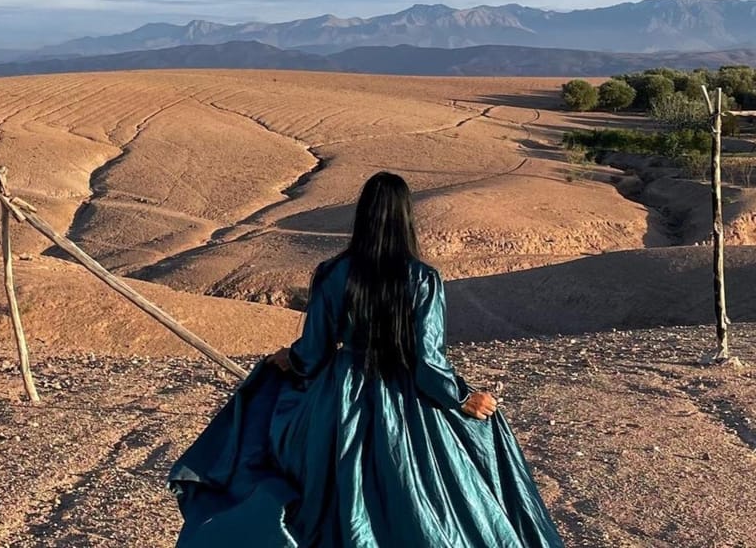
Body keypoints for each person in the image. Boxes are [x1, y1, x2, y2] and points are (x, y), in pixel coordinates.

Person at [169, 172, 564, 547]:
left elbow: (315, 351)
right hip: (405, 395)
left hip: (339, 396)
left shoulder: (333, 272)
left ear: (363, 216)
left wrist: (290, 359)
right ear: (406, 217)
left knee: (329, 483)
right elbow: (427, 361)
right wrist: (460, 397)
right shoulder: (422, 278)